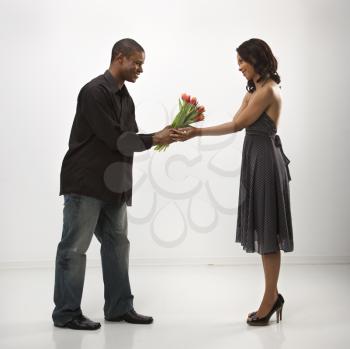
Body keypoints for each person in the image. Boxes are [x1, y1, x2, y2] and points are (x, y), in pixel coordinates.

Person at [53, 38, 174, 330]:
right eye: (137, 63)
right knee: (74, 248)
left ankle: (119, 307)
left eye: (142, 64)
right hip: (85, 182)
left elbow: (127, 141)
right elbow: (115, 137)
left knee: (118, 245)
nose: (140, 69)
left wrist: (154, 138)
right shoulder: (94, 92)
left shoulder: (125, 97)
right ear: (119, 58)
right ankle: (66, 314)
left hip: (113, 185)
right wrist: (155, 138)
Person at [171, 38, 293, 326]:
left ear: (256, 59)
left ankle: (270, 298)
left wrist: (196, 132)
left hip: (264, 159)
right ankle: (272, 295)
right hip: (255, 156)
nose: (238, 67)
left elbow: (237, 125)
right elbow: (238, 119)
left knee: (267, 230)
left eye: (242, 61)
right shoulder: (255, 89)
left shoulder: (267, 91)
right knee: (265, 228)